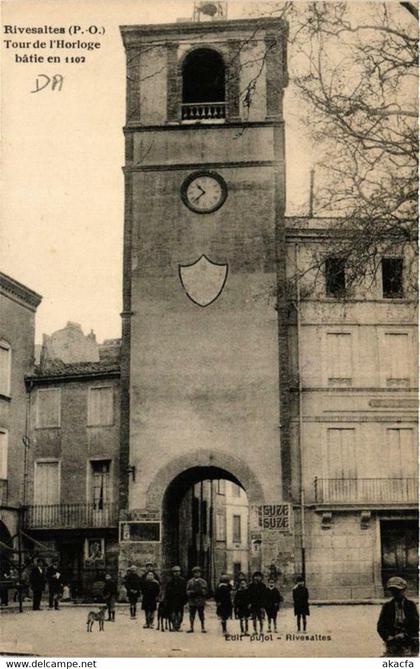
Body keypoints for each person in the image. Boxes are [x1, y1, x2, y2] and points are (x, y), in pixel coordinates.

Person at [377, 576, 419, 657]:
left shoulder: (410, 605)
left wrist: (405, 634)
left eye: (398, 591)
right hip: (393, 641)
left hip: (409, 640)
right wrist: (388, 637)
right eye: (393, 591)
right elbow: (380, 626)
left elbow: (416, 624)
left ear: (404, 590)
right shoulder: (387, 606)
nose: (396, 594)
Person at [186, 566, 208, 633]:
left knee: (201, 614)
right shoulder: (190, 582)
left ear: (200, 573)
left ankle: (203, 627)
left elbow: (206, 591)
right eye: (195, 573)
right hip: (192, 601)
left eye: (198, 572)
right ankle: (191, 627)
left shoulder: (203, 582)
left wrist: (201, 592)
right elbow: (187, 590)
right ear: (193, 573)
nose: (196, 574)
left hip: (200, 600)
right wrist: (191, 593)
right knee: (192, 614)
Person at [165, 565, 187, 631]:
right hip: (172, 600)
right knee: (173, 613)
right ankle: (174, 625)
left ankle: (178, 625)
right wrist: (167, 600)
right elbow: (167, 591)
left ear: (180, 572)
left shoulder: (183, 581)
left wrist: (185, 600)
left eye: (178, 571)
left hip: (180, 600)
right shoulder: (170, 581)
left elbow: (185, 590)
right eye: (175, 572)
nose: (176, 573)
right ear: (172, 573)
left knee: (180, 613)